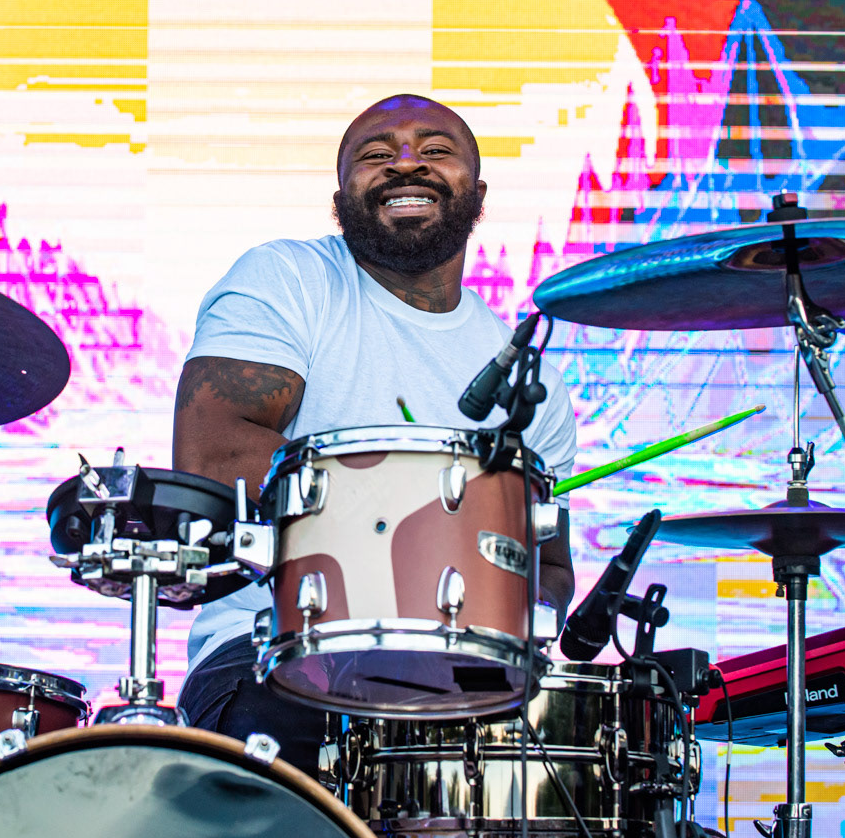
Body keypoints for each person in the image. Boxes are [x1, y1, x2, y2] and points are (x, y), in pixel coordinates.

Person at [172, 93, 579, 770]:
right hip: (273, 650)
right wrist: (434, 517)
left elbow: (551, 565)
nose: (406, 163)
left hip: (466, 677)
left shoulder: (532, 387)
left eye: (435, 150)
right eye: (376, 154)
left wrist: (518, 614)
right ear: (341, 199)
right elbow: (215, 455)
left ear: (478, 195)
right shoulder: (289, 281)